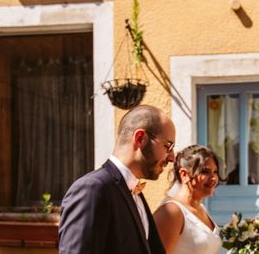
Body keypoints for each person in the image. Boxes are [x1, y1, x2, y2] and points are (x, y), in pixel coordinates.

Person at [58, 105, 176, 254]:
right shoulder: (92, 189)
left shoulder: (134, 191)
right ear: (140, 138)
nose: (172, 157)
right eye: (168, 146)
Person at [153, 145, 222, 254]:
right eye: (205, 171)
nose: (213, 178)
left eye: (215, 172)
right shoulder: (171, 212)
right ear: (184, 174)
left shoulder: (201, 208)